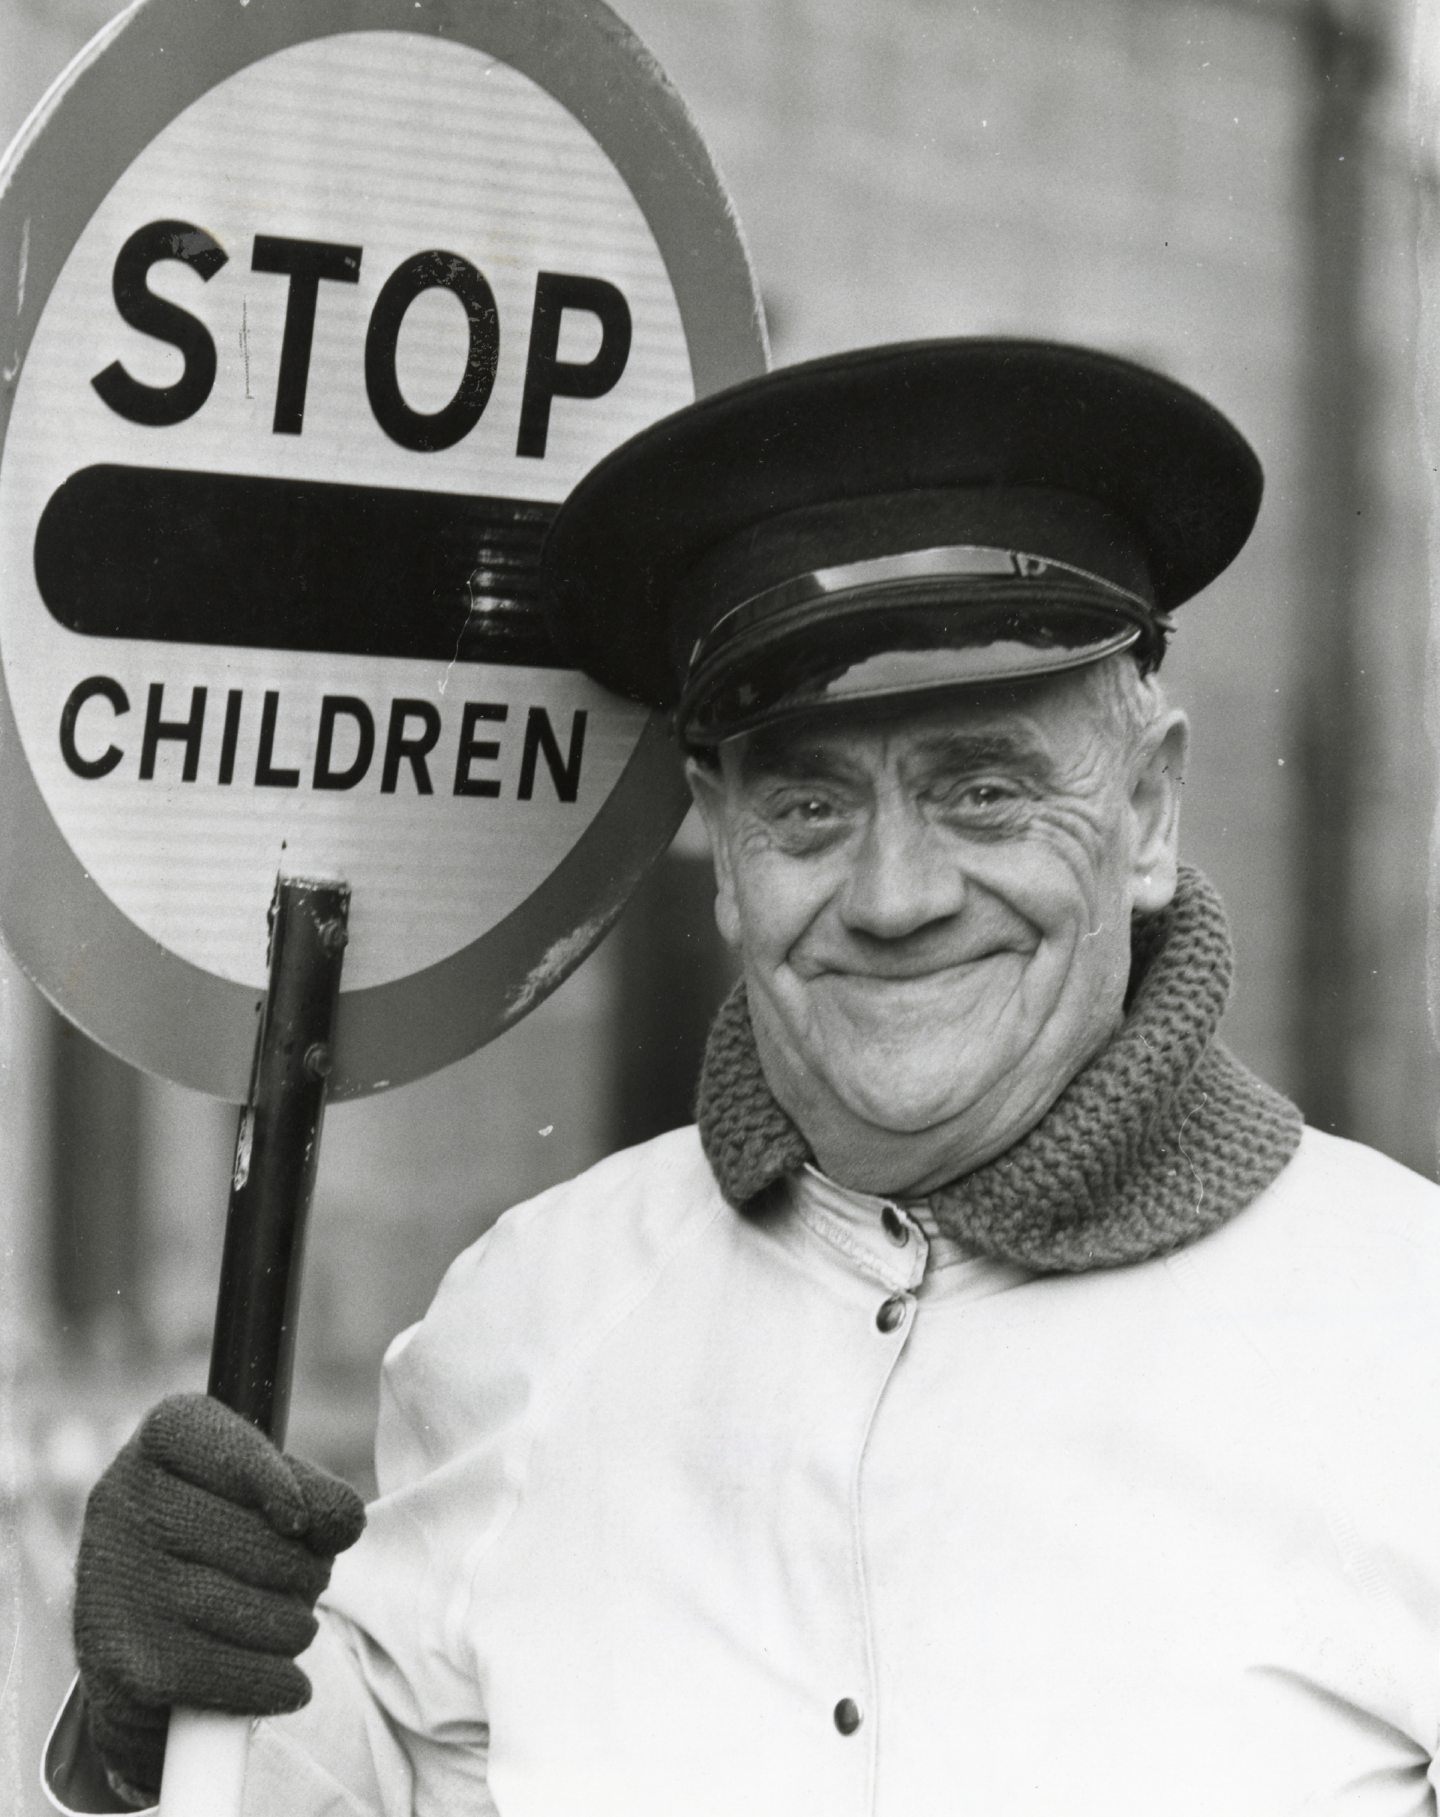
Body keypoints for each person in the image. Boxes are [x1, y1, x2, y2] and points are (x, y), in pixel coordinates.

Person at [46, 340, 1440, 1815]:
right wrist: (149, 1723)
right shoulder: (535, 1318)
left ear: (1151, 811)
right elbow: (335, 1789)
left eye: (984, 786)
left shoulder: (1404, 1337)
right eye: (811, 803)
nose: (896, 893)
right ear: (721, 846)